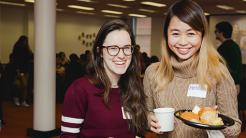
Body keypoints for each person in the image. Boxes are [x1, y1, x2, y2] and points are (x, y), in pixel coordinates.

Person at [144, 0, 241, 137]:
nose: (183, 42)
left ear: (202, 36)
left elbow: (235, 127)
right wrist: (148, 120)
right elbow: (146, 112)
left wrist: (215, 122)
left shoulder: (217, 72)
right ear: (166, 35)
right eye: (175, 34)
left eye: (191, 34)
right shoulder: (153, 72)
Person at [61, 19, 147, 137]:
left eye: (126, 48)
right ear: (100, 52)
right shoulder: (80, 90)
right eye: (113, 48)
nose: (121, 55)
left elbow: (135, 133)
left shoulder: (133, 87)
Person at [215, 21, 242, 95]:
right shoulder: (235, 45)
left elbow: (221, 67)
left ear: (221, 33)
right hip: (233, 82)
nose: (215, 33)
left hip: (227, 83)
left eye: (216, 31)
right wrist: (237, 83)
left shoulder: (223, 48)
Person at [11, 35, 33, 107]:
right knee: (19, 85)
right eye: (24, 41)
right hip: (18, 69)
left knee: (24, 86)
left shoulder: (27, 49)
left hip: (26, 70)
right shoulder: (17, 48)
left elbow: (31, 57)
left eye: (26, 41)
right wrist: (17, 70)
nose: (25, 42)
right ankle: (17, 99)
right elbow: (15, 60)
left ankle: (23, 100)